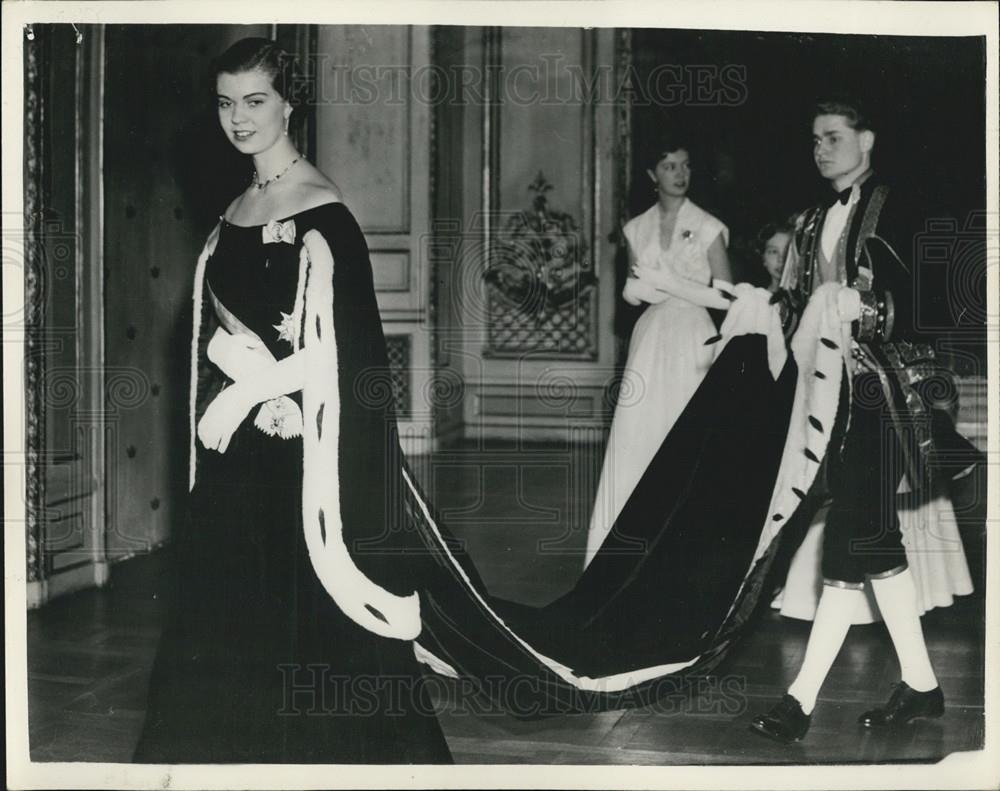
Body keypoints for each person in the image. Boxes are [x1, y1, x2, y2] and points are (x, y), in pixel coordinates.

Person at [134, 38, 451, 763]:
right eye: (225, 103)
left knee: (306, 622)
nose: (238, 119)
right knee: (220, 613)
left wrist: (253, 385)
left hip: (302, 454)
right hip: (239, 449)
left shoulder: (321, 212)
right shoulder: (235, 210)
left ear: (288, 103)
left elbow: (349, 351)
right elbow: (213, 328)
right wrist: (231, 365)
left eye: (254, 101)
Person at [750, 98, 966, 743]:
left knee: (853, 531)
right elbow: (796, 302)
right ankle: (922, 687)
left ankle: (800, 701)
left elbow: (932, 295)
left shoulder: (901, 204)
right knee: (868, 536)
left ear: (867, 139)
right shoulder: (814, 216)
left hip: (888, 397)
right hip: (831, 398)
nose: (821, 148)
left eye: (834, 137)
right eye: (815, 139)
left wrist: (868, 308)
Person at [584, 137, 734, 566]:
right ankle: (628, 546)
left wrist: (670, 284)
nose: (679, 174)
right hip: (650, 340)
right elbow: (632, 296)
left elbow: (726, 298)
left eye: (684, 165)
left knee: (685, 433)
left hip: (692, 336)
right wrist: (637, 292)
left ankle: (690, 549)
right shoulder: (636, 229)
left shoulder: (708, 226)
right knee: (641, 435)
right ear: (653, 176)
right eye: (669, 166)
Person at [757, 221, 794, 293]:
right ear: (763, 259)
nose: (781, 259)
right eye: (774, 252)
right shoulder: (756, 299)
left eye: (787, 251)